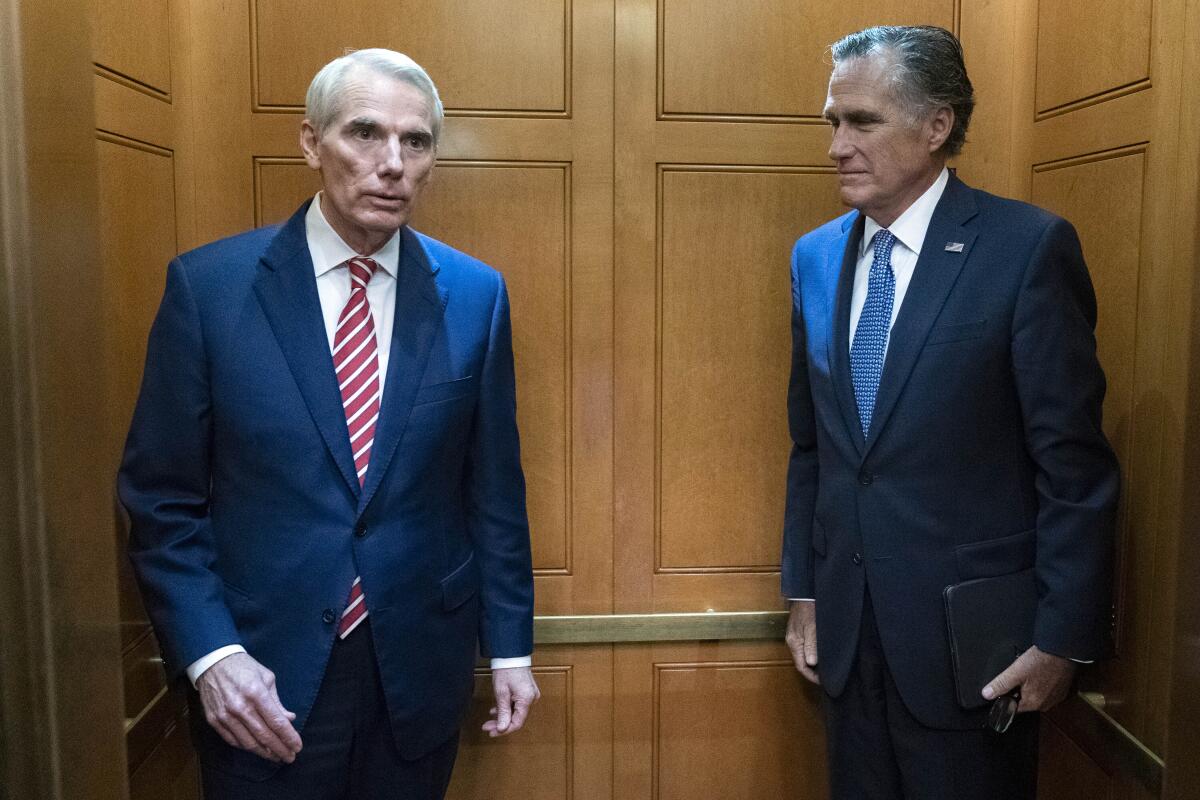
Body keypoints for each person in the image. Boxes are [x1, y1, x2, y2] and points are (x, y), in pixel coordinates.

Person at [119, 48, 538, 800]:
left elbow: (493, 491)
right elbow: (162, 501)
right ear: (311, 142)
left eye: (416, 142)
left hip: (416, 671)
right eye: (365, 133)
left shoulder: (477, 295)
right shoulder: (209, 290)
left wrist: (509, 649)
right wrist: (211, 655)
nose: (392, 164)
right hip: (260, 677)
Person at [781, 25, 1119, 799]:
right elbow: (814, 448)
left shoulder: (1026, 250)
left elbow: (1073, 466)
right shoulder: (815, 256)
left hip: (978, 654)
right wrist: (803, 589)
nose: (837, 145)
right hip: (847, 640)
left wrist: (1063, 639)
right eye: (832, 122)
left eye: (861, 121)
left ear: (937, 126)